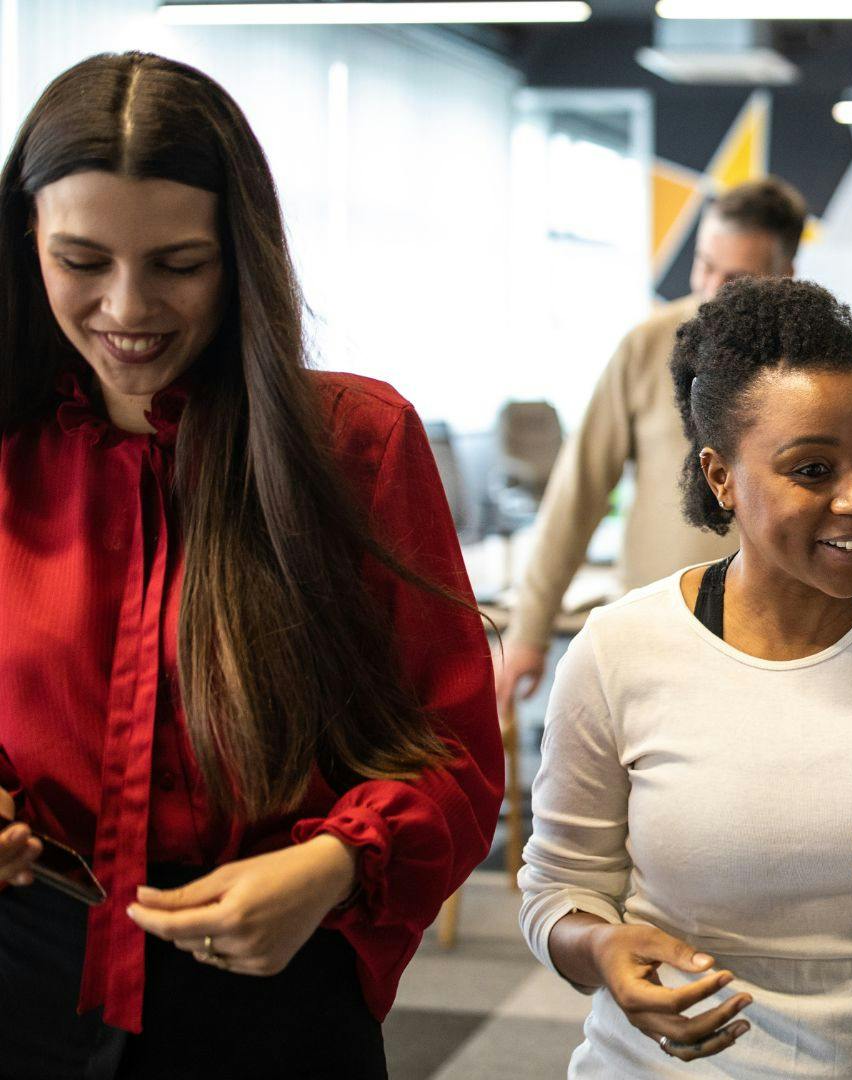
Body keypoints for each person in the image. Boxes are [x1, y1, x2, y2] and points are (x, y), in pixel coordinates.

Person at [0, 53, 502, 1077]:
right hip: (24, 967)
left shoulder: (353, 443)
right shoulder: (10, 447)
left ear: (241, 254)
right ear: (25, 245)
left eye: (179, 264)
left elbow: (455, 755)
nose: (127, 308)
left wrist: (334, 865)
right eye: (82, 261)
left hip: (269, 985)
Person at [516, 277, 852, 1079]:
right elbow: (557, 889)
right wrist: (600, 949)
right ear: (721, 477)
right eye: (812, 470)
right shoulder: (621, 649)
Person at [496, 177, 810, 705]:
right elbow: (579, 492)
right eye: (704, 265)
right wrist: (530, 628)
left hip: (781, 638)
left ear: (784, 276)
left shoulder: (811, 365)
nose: (710, 290)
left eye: (734, 278)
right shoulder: (646, 347)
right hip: (656, 633)